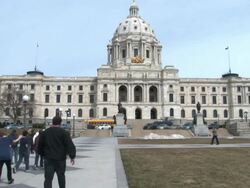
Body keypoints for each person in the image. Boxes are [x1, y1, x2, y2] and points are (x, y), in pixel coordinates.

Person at [38, 115, 76, 188]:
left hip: (49, 158)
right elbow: (70, 145)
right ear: (60, 123)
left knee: (48, 179)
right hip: (60, 159)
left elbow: (40, 145)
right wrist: (72, 156)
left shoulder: (46, 132)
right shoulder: (64, 133)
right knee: (61, 177)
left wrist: (42, 154)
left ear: (52, 122)